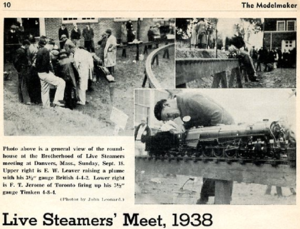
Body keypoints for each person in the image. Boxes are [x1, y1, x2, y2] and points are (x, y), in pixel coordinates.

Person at [154, 91, 235, 204]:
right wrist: (184, 127)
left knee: (222, 166)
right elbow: (196, 119)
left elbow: (216, 113)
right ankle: (205, 198)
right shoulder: (182, 108)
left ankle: (221, 201)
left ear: (166, 105)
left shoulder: (190, 99)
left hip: (225, 131)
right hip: (212, 133)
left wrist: (213, 135)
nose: (172, 118)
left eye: (168, 115)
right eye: (169, 118)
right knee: (207, 164)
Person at [35, 39, 66, 107]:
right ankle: (57, 101)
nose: (52, 48)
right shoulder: (46, 51)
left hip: (40, 73)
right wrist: (50, 72)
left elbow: (37, 63)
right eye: (52, 47)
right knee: (61, 82)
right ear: (50, 45)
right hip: (45, 73)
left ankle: (46, 106)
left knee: (45, 90)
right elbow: (45, 63)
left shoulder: (40, 50)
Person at [14, 39, 32, 105]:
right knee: (24, 83)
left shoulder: (22, 50)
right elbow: (16, 61)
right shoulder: (21, 51)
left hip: (22, 68)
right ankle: (26, 100)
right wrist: (19, 68)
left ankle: (21, 99)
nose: (28, 47)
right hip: (23, 69)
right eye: (28, 45)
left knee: (21, 83)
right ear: (26, 45)